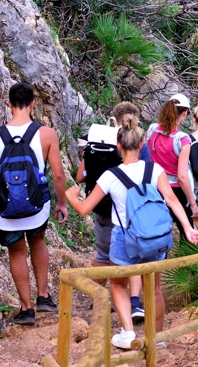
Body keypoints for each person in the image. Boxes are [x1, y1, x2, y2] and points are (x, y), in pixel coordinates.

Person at [65, 115, 198, 350]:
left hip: (123, 237)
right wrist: (188, 228)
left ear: (118, 146)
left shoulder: (110, 176)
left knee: (118, 285)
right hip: (152, 236)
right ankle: (157, 338)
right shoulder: (154, 169)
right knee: (155, 289)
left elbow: (85, 209)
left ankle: (128, 332)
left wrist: (71, 198)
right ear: (141, 144)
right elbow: (171, 200)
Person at [0, 82, 68, 326]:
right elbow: (59, 174)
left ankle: (26, 308)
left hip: (6, 207)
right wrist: (62, 203)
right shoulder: (47, 134)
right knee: (38, 240)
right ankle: (43, 296)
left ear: (8, 104)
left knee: (17, 251)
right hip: (37, 206)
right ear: (33, 104)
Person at [74, 101, 148, 321]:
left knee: (102, 255)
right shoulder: (138, 146)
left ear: (114, 120)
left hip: (104, 209)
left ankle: (97, 299)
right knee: (134, 259)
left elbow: (80, 177)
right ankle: (134, 303)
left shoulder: (98, 142)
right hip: (133, 212)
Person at [146, 94, 198, 236]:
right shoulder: (183, 140)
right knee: (187, 227)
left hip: (153, 186)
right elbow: (182, 176)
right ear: (185, 112)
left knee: (157, 229)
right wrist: (193, 204)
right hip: (175, 190)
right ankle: (190, 255)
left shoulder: (152, 130)